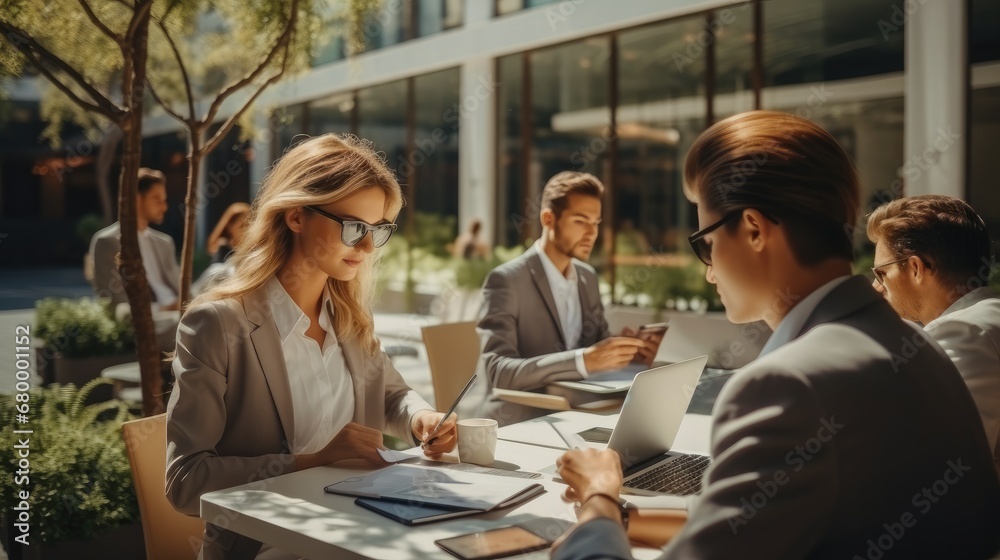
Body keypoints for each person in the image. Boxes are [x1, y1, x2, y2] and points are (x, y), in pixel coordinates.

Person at [551, 111, 1000, 559]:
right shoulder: (919, 348)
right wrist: (626, 516)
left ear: (753, 230)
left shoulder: (785, 386)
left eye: (705, 243)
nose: (708, 273)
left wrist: (599, 499)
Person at [165, 134, 458, 560]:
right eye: (354, 227)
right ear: (297, 216)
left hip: (360, 533)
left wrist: (422, 419)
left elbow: (392, 395)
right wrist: (316, 460)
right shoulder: (218, 325)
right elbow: (186, 482)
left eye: (377, 231)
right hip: (265, 548)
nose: (365, 247)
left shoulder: (349, 318)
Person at [477, 171, 654, 426]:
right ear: (548, 218)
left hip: (580, 411)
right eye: (581, 221)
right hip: (525, 419)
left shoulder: (587, 277)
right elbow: (498, 372)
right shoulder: (506, 281)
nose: (591, 233)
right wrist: (582, 360)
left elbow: (596, 344)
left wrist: (624, 351)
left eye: (596, 223)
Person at [867, 194, 1000, 469]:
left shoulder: (963, 330)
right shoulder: (985, 317)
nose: (876, 286)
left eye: (881, 273)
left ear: (915, 268)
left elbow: (932, 458)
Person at [90, 167, 180, 311]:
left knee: (217, 272)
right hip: (149, 318)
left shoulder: (165, 243)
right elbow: (113, 303)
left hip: (181, 313)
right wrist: (163, 309)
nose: (165, 207)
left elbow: (181, 289)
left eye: (165, 200)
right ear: (137, 199)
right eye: (157, 199)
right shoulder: (107, 242)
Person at [191, 202, 251, 296]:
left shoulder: (251, 248)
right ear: (230, 227)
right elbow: (220, 273)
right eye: (242, 226)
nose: (246, 230)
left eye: (248, 225)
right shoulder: (223, 246)